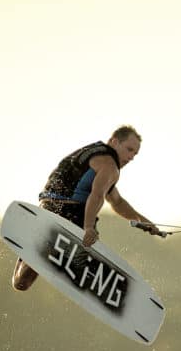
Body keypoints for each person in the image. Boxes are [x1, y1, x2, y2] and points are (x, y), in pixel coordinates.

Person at [12, 125, 162, 291]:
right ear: (114, 141)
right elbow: (97, 195)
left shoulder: (94, 154)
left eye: (135, 153)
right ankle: (88, 269)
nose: (131, 157)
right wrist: (88, 227)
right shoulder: (110, 166)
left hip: (47, 207)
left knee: (21, 283)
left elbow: (117, 202)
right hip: (70, 214)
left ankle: (34, 259)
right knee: (85, 252)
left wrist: (145, 223)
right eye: (129, 149)